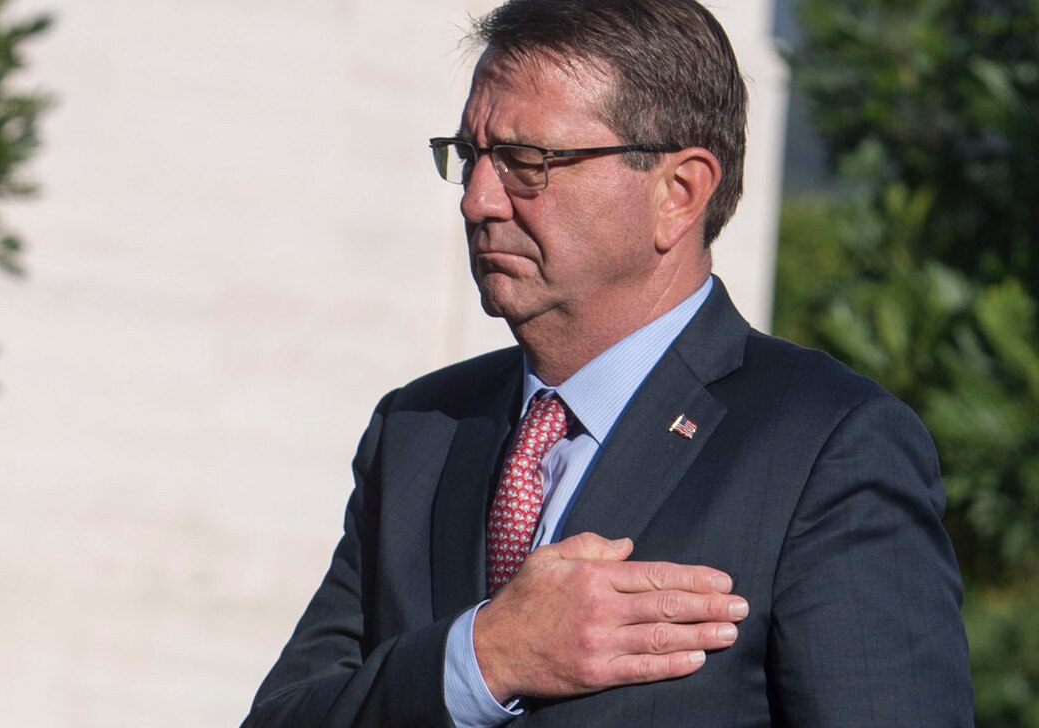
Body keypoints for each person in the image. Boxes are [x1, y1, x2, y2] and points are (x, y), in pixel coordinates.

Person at [242, 0, 973, 725]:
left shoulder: (826, 448)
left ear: (678, 193)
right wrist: (482, 659)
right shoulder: (419, 431)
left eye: (528, 162)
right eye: (469, 157)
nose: (476, 200)